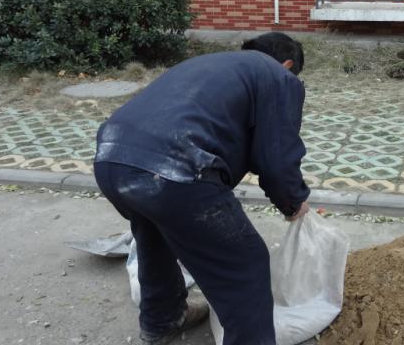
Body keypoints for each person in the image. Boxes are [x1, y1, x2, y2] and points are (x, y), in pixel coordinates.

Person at [93, 32, 311, 345]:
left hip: (111, 160)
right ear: (288, 65)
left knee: (155, 238)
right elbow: (276, 156)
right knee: (245, 263)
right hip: (175, 171)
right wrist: (293, 201)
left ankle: (163, 321)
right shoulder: (278, 77)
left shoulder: (214, 65)